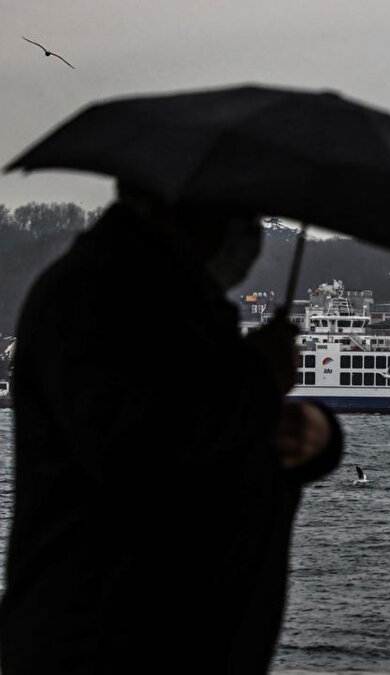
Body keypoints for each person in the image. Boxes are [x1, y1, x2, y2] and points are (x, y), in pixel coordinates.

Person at [0, 182, 342, 673]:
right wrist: (258, 374)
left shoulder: (177, 304)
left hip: (166, 636)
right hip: (113, 644)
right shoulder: (95, 300)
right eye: (233, 211)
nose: (247, 232)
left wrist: (317, 436)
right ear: (169, 205)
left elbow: (217, 430)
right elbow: (146, 451)